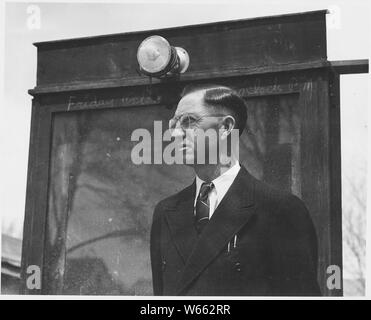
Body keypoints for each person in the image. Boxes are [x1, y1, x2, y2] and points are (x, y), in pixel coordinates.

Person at [150, 84, 321, 296]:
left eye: (188, 121)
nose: (175, 133)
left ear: (225, 127)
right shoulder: (166, 211)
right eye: (173, 124)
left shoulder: (278, 209)